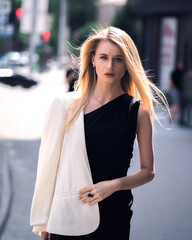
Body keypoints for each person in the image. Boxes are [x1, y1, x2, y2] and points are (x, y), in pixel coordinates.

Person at [30, 26, 168, 240]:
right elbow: (48, 168)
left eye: (118, 59)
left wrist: (113, 186)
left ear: (128, 65)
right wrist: (44, 220)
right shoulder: (65, 106)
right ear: (93, 60)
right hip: (67, 215)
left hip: (114, 216)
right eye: (103, 57)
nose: (110, 65)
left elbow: (148, 171)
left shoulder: (138, 111)